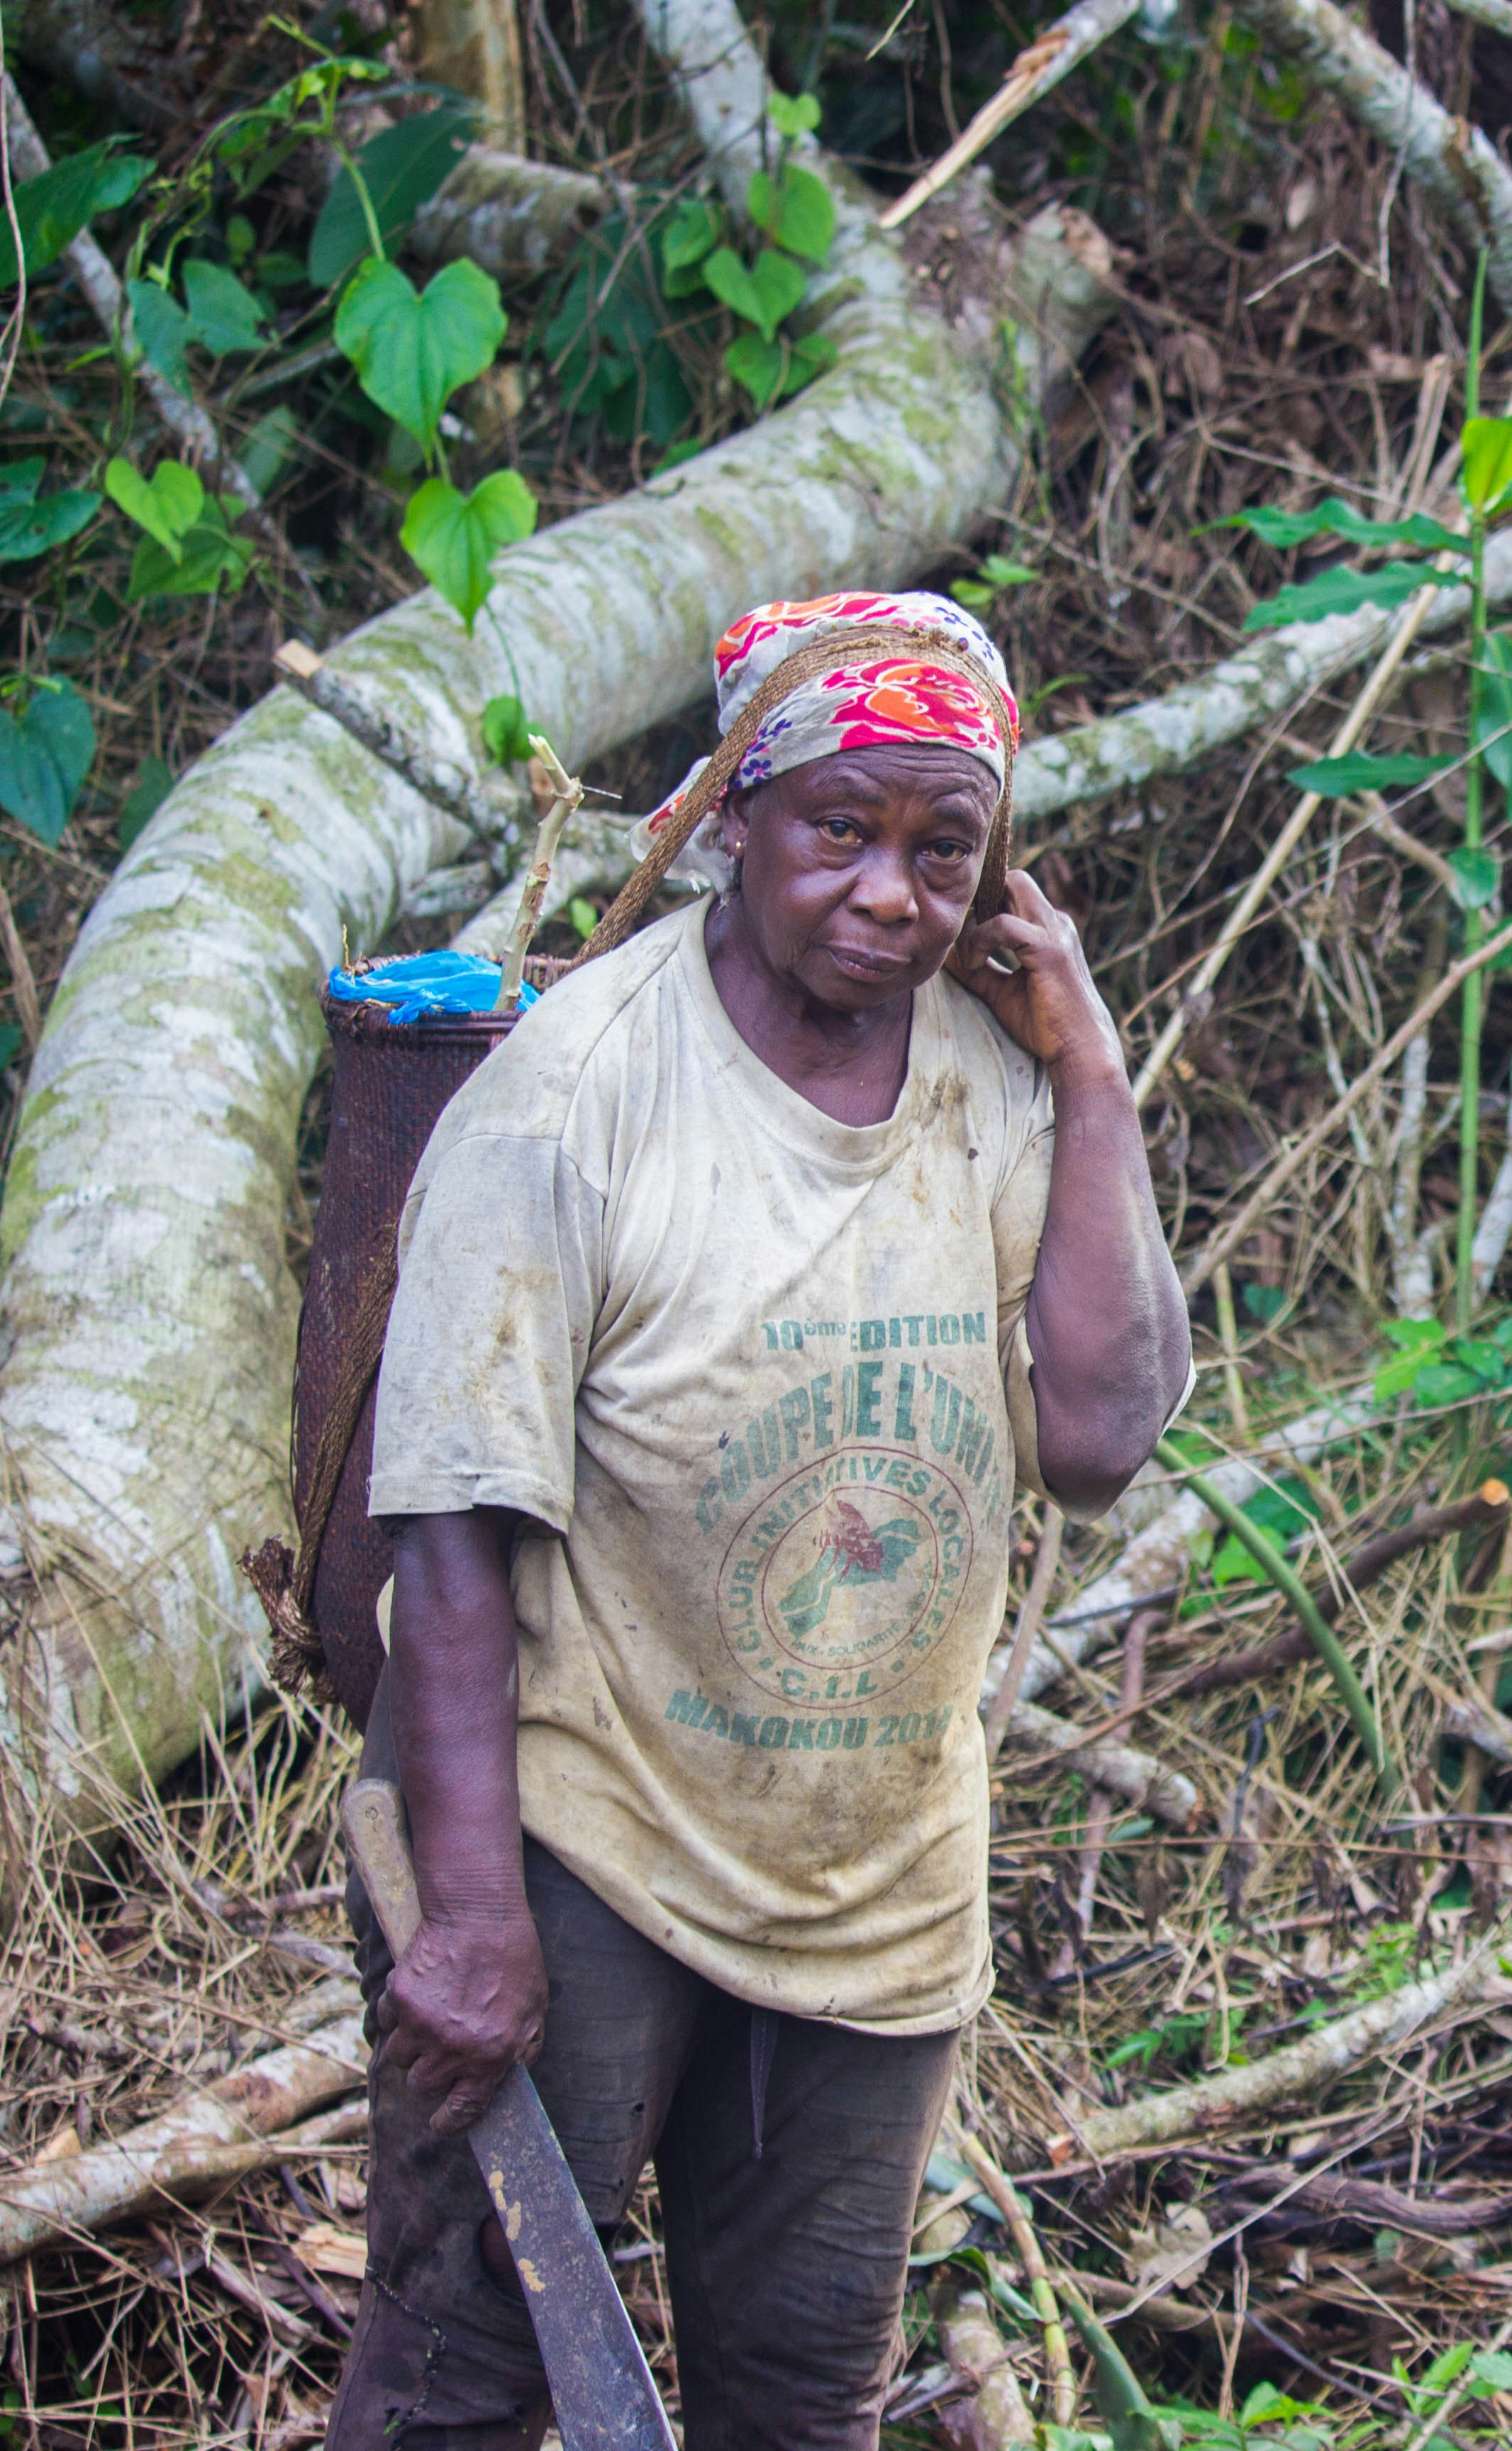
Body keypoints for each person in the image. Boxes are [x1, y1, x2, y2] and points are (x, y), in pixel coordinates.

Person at [329, 592, 1192, 2451]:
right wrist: (471, 1919)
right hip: (586, 1836)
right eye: (839, 831)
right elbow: (452, 1527)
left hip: (873, 1887)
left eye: (941, 847)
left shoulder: (990, 1081)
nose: (891, 892)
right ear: (735, 817)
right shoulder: (575, 1097)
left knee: (802, 2397)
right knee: (464, 2381)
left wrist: (1091, 1066)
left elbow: (1103, 1436)